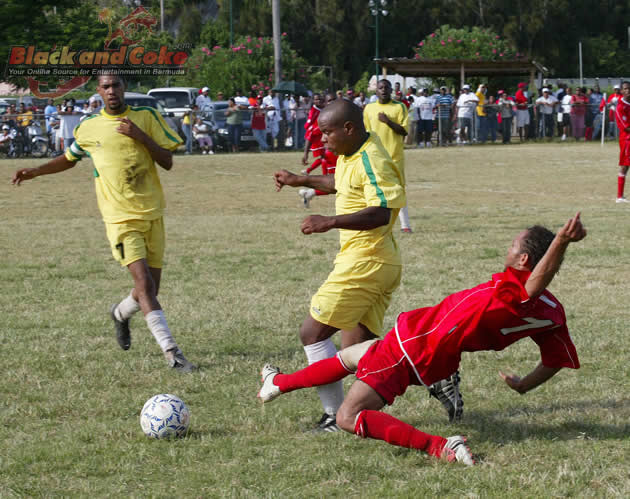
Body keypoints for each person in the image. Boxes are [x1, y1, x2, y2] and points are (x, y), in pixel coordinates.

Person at [258, 213, 586, 465]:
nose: (509, 247)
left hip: (416, 344)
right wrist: (524, 385)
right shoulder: (553, 311)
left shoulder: (515, 291)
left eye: (514, 244)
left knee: (347, 417)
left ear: (524, 260)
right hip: (435, 353)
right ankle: (278, 383)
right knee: (353, 355)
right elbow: (555, 360)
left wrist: (561, 241)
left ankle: (442, 447)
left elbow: (534, 285)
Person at [11, 73, 194, 372]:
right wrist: (36, 171)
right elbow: (69, 158)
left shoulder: (146, 117)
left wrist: (140, 136)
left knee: (150, 290)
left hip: (152, 212)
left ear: (124, 88)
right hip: (119, 218)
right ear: (98, 91)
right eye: (105, 86)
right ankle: (173, 354)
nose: (111, 91)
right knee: (144, 285)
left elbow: (168, 161)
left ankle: (120, 314)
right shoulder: (89, 126)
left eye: (116, 85)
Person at [272, 99, 406, 432]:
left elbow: (382, 212)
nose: (322, 139)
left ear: (348, 128)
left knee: (312, 333)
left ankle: (333, 416)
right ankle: (432, 375)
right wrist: (300, 180)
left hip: (366, 261)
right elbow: (339, 183)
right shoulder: (351, 153)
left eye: (327, 132)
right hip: (376, 261)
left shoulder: (373, 158)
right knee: (358, 355)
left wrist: (329, 221)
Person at [363, 79, 412, 233]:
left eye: (386, 87)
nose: (383, 90)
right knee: (372, 189)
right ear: (376, 91)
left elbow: (404, 131)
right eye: (380, 87)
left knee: (398, 189)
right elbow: (366, 133)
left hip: (394, 156)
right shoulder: (369, 108)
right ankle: (371, 223)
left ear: (391, 90)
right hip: (375, 156)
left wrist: (387, 121)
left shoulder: (400, 107)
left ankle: (405, 225)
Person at [614, 81, 630, 203]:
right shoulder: (620, 107)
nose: (628, 90)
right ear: (621, 91)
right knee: (625, 166)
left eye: (629, 88)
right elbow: (626, 127)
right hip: (627, 140)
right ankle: (619, 197)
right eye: (625, 88)